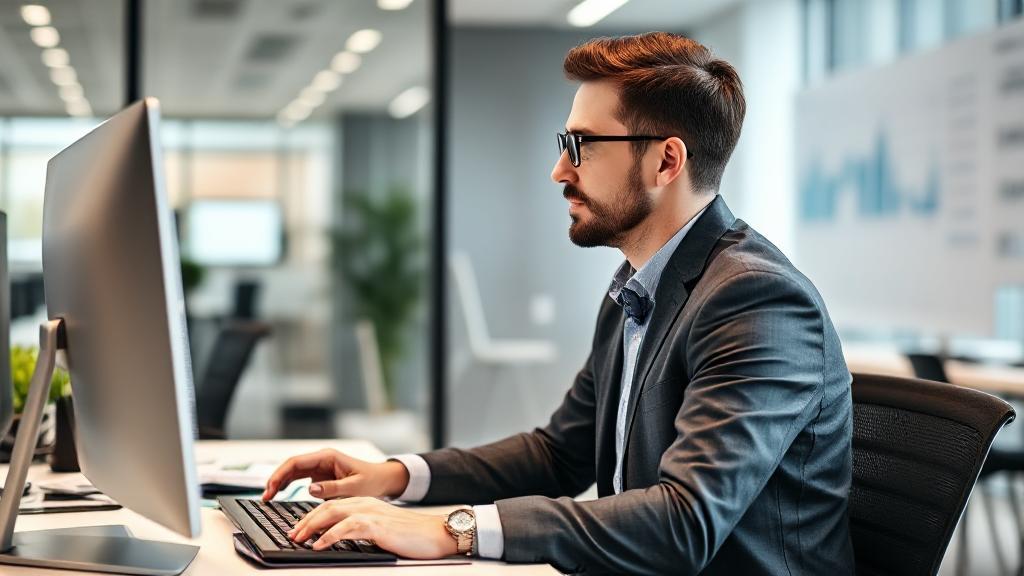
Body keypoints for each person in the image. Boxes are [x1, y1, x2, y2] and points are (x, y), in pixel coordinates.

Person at [262, 31, 854, 575]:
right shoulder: (639, 283)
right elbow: (559, 453)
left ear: (666, 162)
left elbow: (685, 522)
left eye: (582, 145)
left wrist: (453, 529)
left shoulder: (758, 300)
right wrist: (394, 477)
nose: (558, 170)